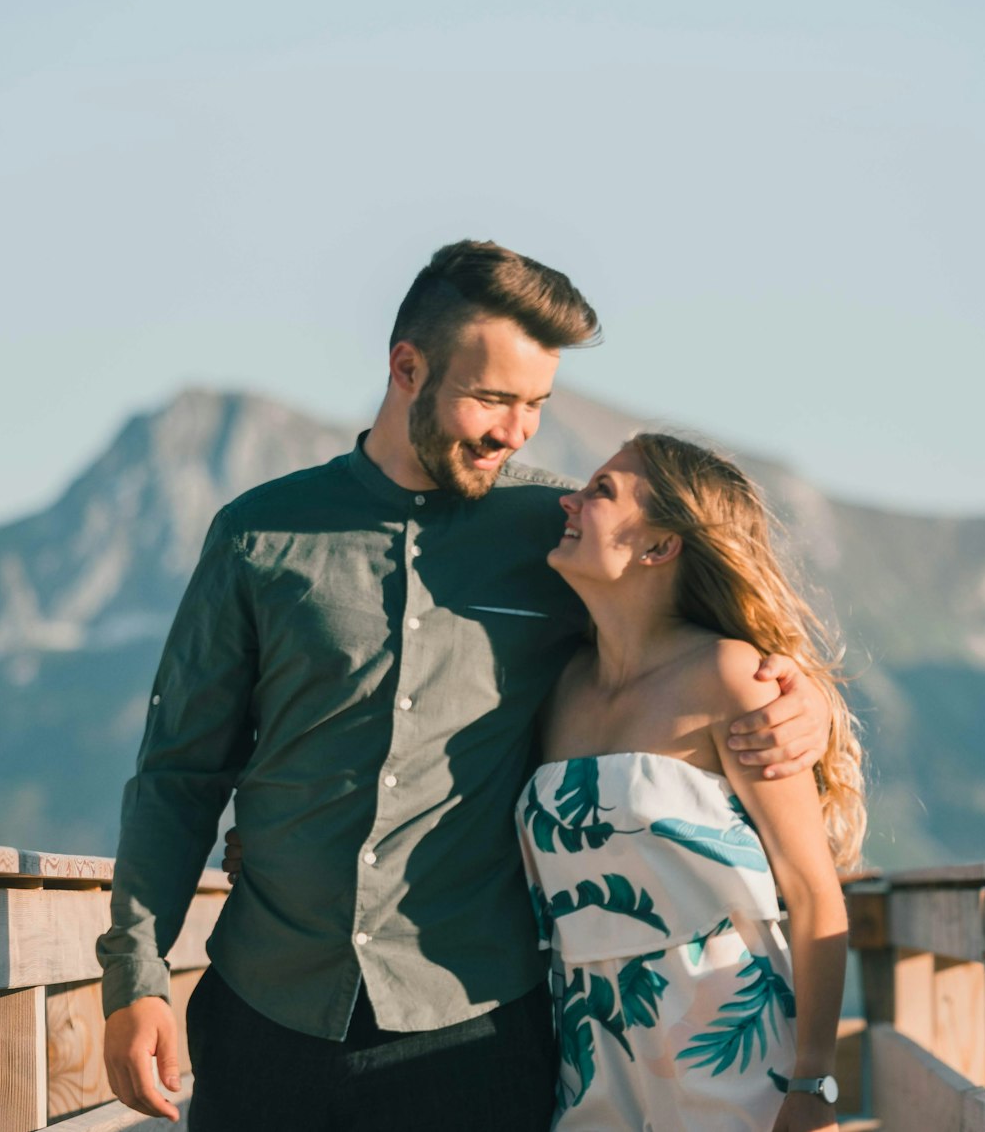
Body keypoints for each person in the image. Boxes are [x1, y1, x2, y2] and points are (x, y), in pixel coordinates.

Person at [97, 241, 831, 1131]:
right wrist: (135, 977)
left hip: (476, 1033)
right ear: (407, 368)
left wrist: (805, 696)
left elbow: (690, 619)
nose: (516, 431)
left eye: (536, 405)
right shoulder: (260, 535)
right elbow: (179, 775)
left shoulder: (556, 534)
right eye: (493, 398)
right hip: (264, 1014)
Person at [517, 434, 864, 1131]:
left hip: (728, 1041)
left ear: (658, 546)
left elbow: (812, 889)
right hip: (592, 1056)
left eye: (602, 491)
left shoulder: (732, 676)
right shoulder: (559, 689)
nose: (570, 500)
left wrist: (813, 1082)